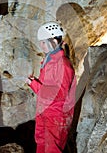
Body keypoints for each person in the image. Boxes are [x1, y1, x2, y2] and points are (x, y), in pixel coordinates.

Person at [26, 21, 77, 153]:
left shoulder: (63, 64)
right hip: (45, 112)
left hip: (56, 116)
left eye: (43, 42)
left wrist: (34, 84)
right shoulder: (49, 61)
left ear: (54, 41)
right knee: (41, 144)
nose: (41, 45)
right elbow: (48, 86)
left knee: (52, 149)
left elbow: (58, 94)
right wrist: (34, 81)